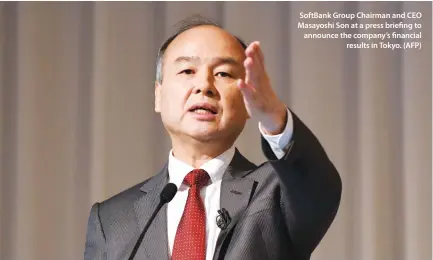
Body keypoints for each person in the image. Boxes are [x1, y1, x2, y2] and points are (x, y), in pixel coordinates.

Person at [84, 16, 342, 260]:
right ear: (158, 95)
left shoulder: (278, 192)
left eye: (223, 74)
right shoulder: (111, 220)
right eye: (187, 71)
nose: (204, 85)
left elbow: (318, 186)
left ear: (247, 98)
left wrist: (274, 115)